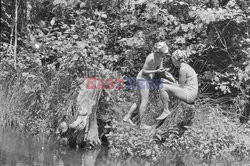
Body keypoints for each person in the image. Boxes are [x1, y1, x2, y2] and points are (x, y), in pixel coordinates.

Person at [123, 42, 170, 129]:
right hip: (142, 79)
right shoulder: (151, 57)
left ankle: (127, 117)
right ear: (158, 52)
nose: (165, 55)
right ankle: (142, 124)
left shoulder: (161, 57)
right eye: (164, 53)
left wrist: (163, 71)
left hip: (148, 79)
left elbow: (160, 68)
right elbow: (144, 71)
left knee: (140, 101)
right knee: (144, 101)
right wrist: (156, 72)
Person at [156, 49, 198, 120]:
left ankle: (166, 110)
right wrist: (170, 78)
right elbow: (181, 85)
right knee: (166, 88)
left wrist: (168, 82)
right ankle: (169, 109)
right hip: (189, 92)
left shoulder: (183, 69)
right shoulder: (185, 66)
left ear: (175, 59)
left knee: (162, 87)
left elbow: (180, 86)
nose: (172, 61)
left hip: (189, 94)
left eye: (172, 59)